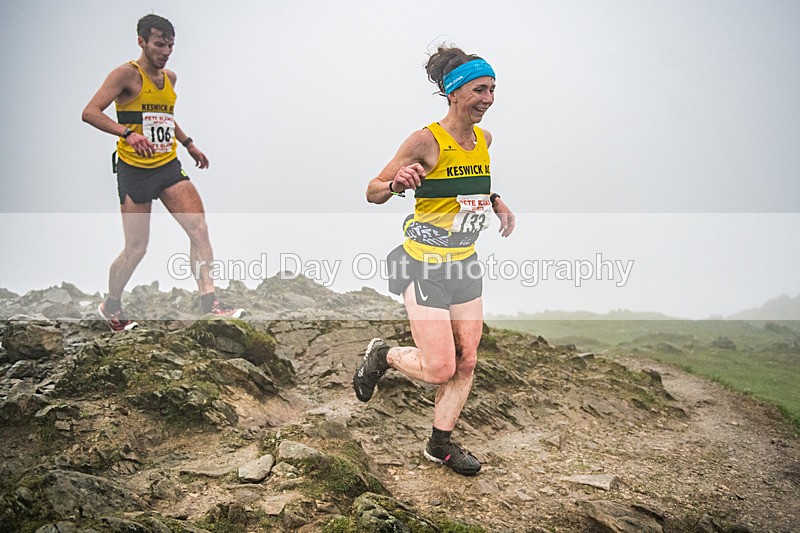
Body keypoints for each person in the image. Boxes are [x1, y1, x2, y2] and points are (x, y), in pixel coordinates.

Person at [353, 45, 515, 476]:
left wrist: (496, 201)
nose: (488, 99)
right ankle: (383, 355)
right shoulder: (425, 140)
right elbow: (372, 189)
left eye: (493, 89)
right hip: (422, 264)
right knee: (440, 367)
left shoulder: (484, 139)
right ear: (455, 93)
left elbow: (470, 186)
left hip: (465, 264)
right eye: (480, 89)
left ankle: (439, 443)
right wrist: (397, 184)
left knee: (468, 360)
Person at [82, 14, 243, 331]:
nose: (166, 51)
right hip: (134, 171)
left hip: (168, 166)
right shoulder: (126, 75)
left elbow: (164, 114)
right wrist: (127, 133)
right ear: (141, 41)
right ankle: (111, 305)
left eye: (170, 45)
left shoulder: (170, 78)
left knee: (199, 229)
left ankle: (208, 302)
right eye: (159, 44)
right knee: (136, 248)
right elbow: (89, 112)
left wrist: (188, 143)